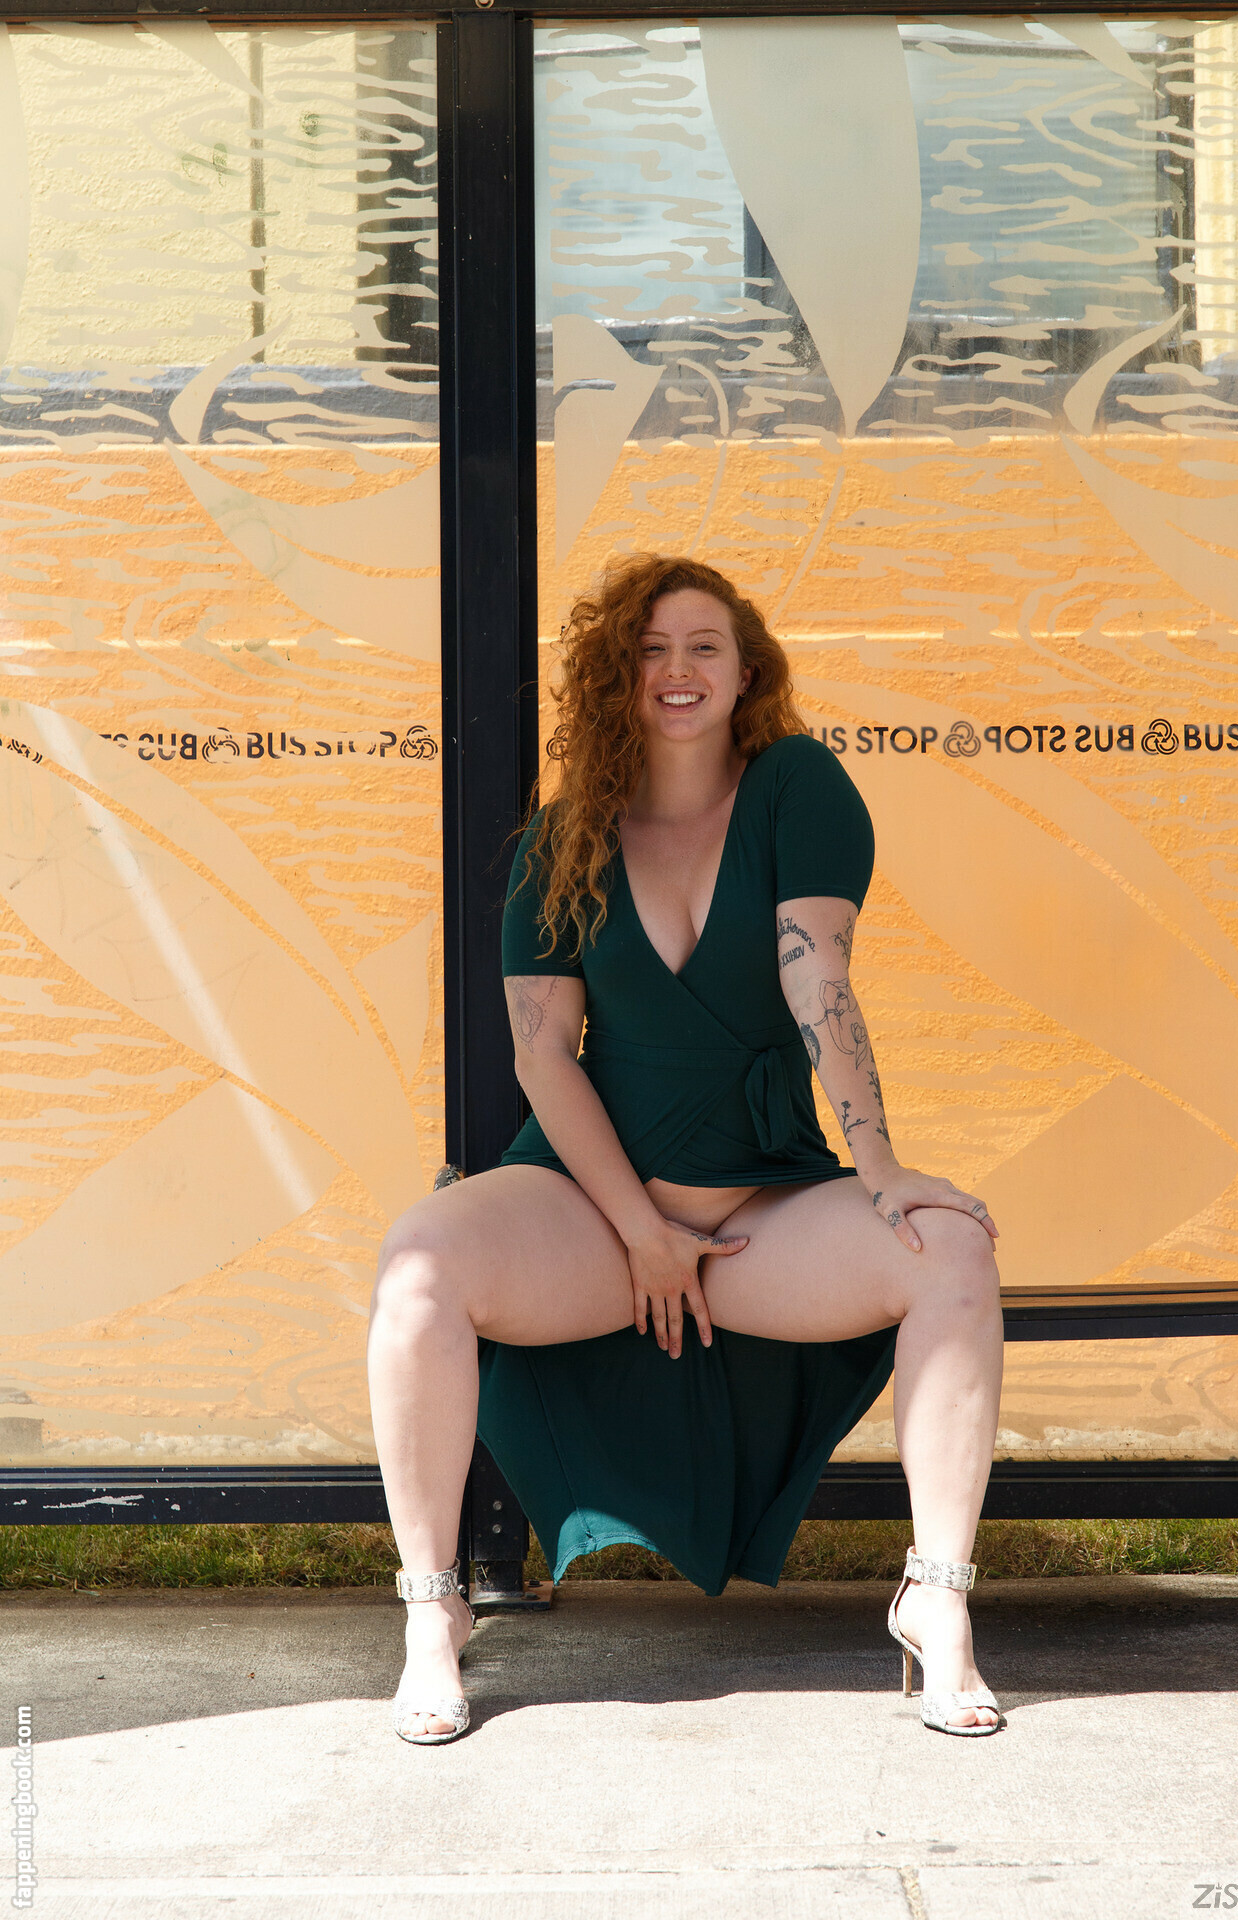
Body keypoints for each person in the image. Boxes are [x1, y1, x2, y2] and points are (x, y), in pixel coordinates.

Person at [367, 553, 1005, 1745]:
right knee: (416, 1270)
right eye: (650, 649)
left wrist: (878, 1169)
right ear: (616, 675)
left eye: (703, 646)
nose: (677, 670)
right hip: (590, 1213)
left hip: (760, 1211)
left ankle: (938, 1600)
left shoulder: (797, 787)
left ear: (745, 670)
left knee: (952, 1254)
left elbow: (818, 981)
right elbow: (543, 1057)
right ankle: (432, 1610)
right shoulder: (559, 839)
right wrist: (640, 1235)